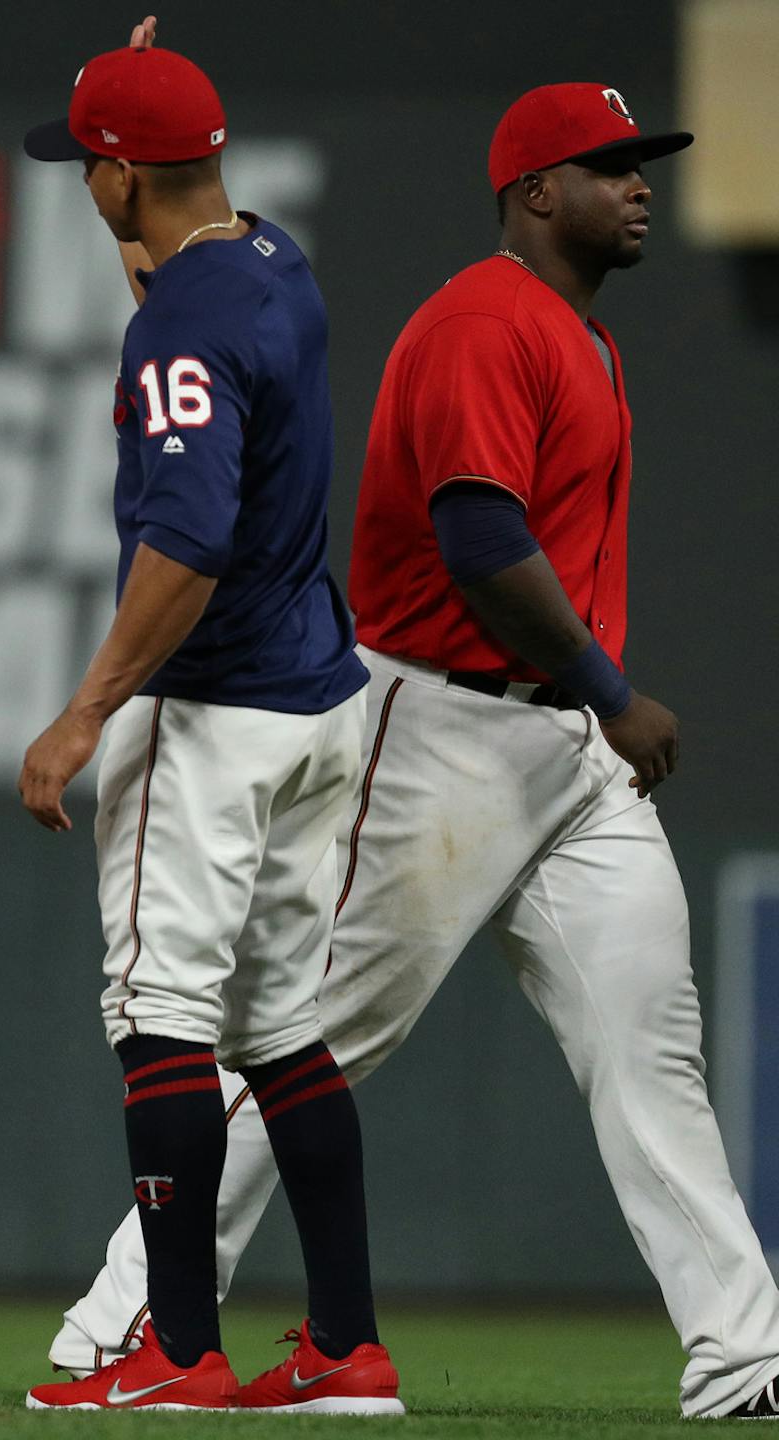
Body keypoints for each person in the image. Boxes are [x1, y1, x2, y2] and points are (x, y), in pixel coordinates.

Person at [45, 79, 779, 1420]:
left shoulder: (572, 332)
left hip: (567, 754)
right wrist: (614, 692)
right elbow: (481, 541)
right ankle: (128, 1316)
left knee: (650, 1057)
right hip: (443, 724)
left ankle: (746, 1352)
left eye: (643, 165)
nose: (641, 186)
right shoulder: (482, 323)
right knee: (304, 1034)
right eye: (610, 166)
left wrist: (594, 712)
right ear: (531, 191)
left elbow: (188, 254)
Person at [14, 32, 401, 1414]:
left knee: (160, 1015)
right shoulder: (272, 264)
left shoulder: (181, 318)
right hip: (322, 703)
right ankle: (348, 1348)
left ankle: (178, 1349)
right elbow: (197, 291)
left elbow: (185, 537)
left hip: (216, 707)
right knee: (285, 1030)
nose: (83, 187)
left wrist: (81, 714)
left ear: (123, 177)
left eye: (91, 167)